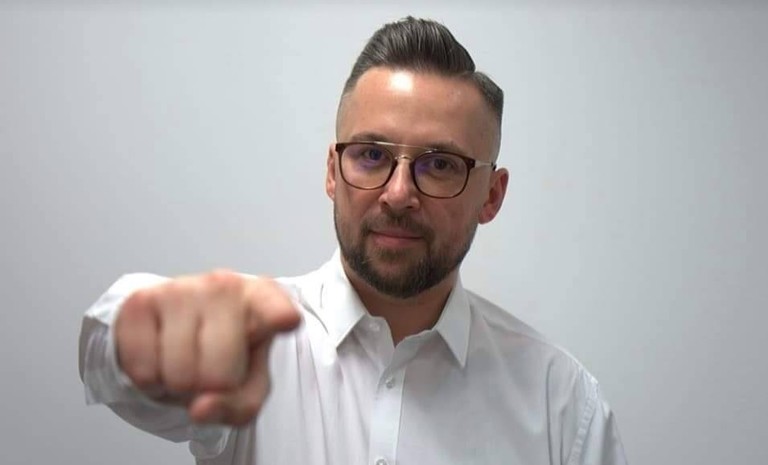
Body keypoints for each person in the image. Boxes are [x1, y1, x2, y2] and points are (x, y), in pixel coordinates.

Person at [79, 16, 627, 465]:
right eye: (371, 155)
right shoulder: (249, 345)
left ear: (492, 195)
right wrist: (144, 333)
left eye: (439, 164)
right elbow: (110, 352)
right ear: (332, 172)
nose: (398, 193)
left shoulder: (562, 406)